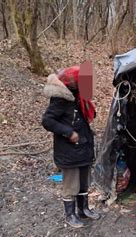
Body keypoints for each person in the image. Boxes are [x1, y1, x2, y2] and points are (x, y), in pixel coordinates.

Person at [42, 66, 100, 228]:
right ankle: (70, 215)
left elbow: (84, 117)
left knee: (84, 181)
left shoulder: (78, 96)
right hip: (69, 150)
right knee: (71, 185)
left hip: (83, 147)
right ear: (73, 82)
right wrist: (68, 132)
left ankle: (83, 209)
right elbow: (47, 121)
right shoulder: (60, 99)